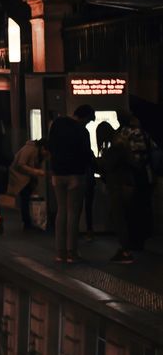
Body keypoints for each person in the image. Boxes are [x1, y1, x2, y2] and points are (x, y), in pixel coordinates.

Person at [47, 104, 95, 263]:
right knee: (73, 213)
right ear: (85, 117)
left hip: (57, 174)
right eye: (88, 121)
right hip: (75, 175)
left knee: (61, 211)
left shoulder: (57, 124)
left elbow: (50, 146)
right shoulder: (82, 131)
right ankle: (71, 252)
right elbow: (86, 154)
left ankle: (59, 252)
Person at [97, 121, 136, 264]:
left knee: (118, 218)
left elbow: (107, 165)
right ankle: (125, 249)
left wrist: (98, 161)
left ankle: (125, 251)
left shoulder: (116, 147)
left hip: (119, 186)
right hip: (126, 185)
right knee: (122, 217)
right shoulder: (121, 143)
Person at [118, 113, 155, 251]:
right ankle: (141, 239)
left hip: (129, 177)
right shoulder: (142, 133)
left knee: (130, 210)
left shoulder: (122, 133)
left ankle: (131, 240)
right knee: (143, 207)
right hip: (144, 176)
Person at [8, 137, 46, 231]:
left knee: (26, 199)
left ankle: (28, 222)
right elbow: (21, 164)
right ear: (43, 147)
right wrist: (36, 172)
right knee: (24, 199)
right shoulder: (30, 149)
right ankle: (27, 222)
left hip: (25, 178)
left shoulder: (35, 150)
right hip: (21, 177)